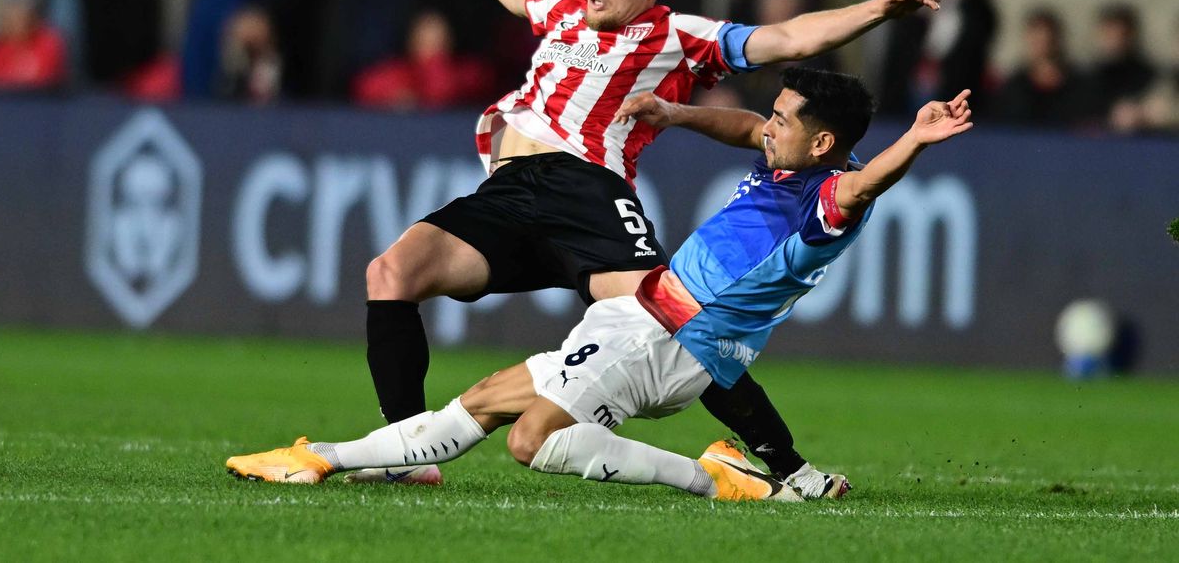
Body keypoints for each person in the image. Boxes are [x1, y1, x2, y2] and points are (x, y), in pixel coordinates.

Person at [357, 0, 940, 487]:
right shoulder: (564, 8)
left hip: (588, 192)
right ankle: (408, 450)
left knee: (680, 319)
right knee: (392, 272)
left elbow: (785, 39)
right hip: (508, 193)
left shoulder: (678, 36)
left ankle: (785, 467)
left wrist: (877, 10)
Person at [227, 70, 974, 504]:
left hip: (666, 340)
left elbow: (869, 183)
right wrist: (676, 113)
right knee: (487, 399)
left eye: (781, 120)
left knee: (529, 439)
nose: (765, 127)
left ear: (820, 141)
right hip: (638, 319)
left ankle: (715, 481)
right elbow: (742, 125)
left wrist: (914, 139)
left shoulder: (829, 198)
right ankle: (322, 458)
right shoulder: (786, 163)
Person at [881, 0, 996, 114]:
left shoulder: (978, 10)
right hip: (906, 100)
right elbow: (900, 53)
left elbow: (978, 40)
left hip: (952, 100)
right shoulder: (918, 1)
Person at [352, 10, 493, 109]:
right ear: (412, 41)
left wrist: (435, 64)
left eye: (439, 38)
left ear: (450, 40)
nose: (432, 44)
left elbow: (443, 94)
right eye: (425, 39)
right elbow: (363, 86)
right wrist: (392, 96)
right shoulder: (399, 72)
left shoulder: (467, 72)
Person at [993, 8, 1084, 125]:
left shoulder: (1080, 86)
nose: (1044, 42)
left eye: (1048, 38)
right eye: (1037, 39)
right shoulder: (1013, 88)